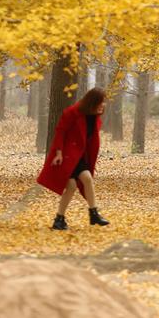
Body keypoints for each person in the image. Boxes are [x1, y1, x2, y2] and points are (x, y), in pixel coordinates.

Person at [37, 86, 110, 230]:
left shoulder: (94, 118)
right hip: (67, 156)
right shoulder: (72, 112)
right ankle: (93, 214)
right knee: (80, 182)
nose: (103, 105)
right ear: (92, 102)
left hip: (79, 157)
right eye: (100, 102)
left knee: (74, 185)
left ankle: (60, 219)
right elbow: (60, 132)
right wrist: (58, 153)